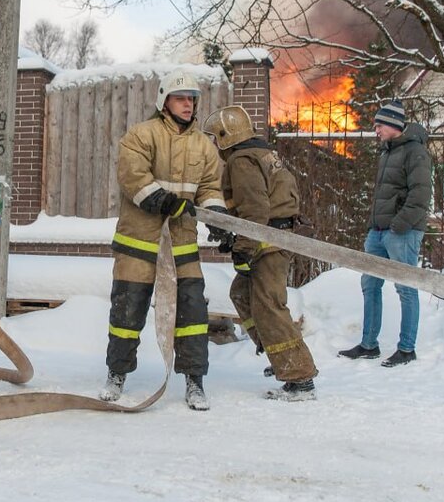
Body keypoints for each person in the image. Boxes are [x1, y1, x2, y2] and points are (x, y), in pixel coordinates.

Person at [98, 71, 225, 411]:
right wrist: (163, 201)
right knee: (127, 313)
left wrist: (216, 216)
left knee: (193, 315)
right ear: (164, 100)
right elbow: (132, 176)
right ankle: (116, 375)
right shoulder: (141, 135)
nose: (189, 104)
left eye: (192, 99)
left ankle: (194, 382)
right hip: (139, 243)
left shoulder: (203, 146)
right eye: (181, 97)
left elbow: (211, 187)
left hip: (182, 247)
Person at [201, 105, 318, 401]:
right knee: (241, 294)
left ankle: (299, 377)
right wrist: (231, 233)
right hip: (273, 238)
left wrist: (243, 249)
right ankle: (277, 354)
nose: (216, 145)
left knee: (269, 305)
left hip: (268, 243)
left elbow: (255, 210)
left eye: (216, 138)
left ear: (227, 136)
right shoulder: (263, 153)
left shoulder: (241, 160)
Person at [338, 99, 432, 367]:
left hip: (401, 232)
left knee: (405, 288)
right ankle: (369, 344)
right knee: (370, 284)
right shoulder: (387, 152)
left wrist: (400, 224)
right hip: (378, 232)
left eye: (379, 125)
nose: (376, 130)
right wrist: (374, 225)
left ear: (392, 125)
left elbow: (421, 194)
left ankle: (406, 348)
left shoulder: (416, 151)